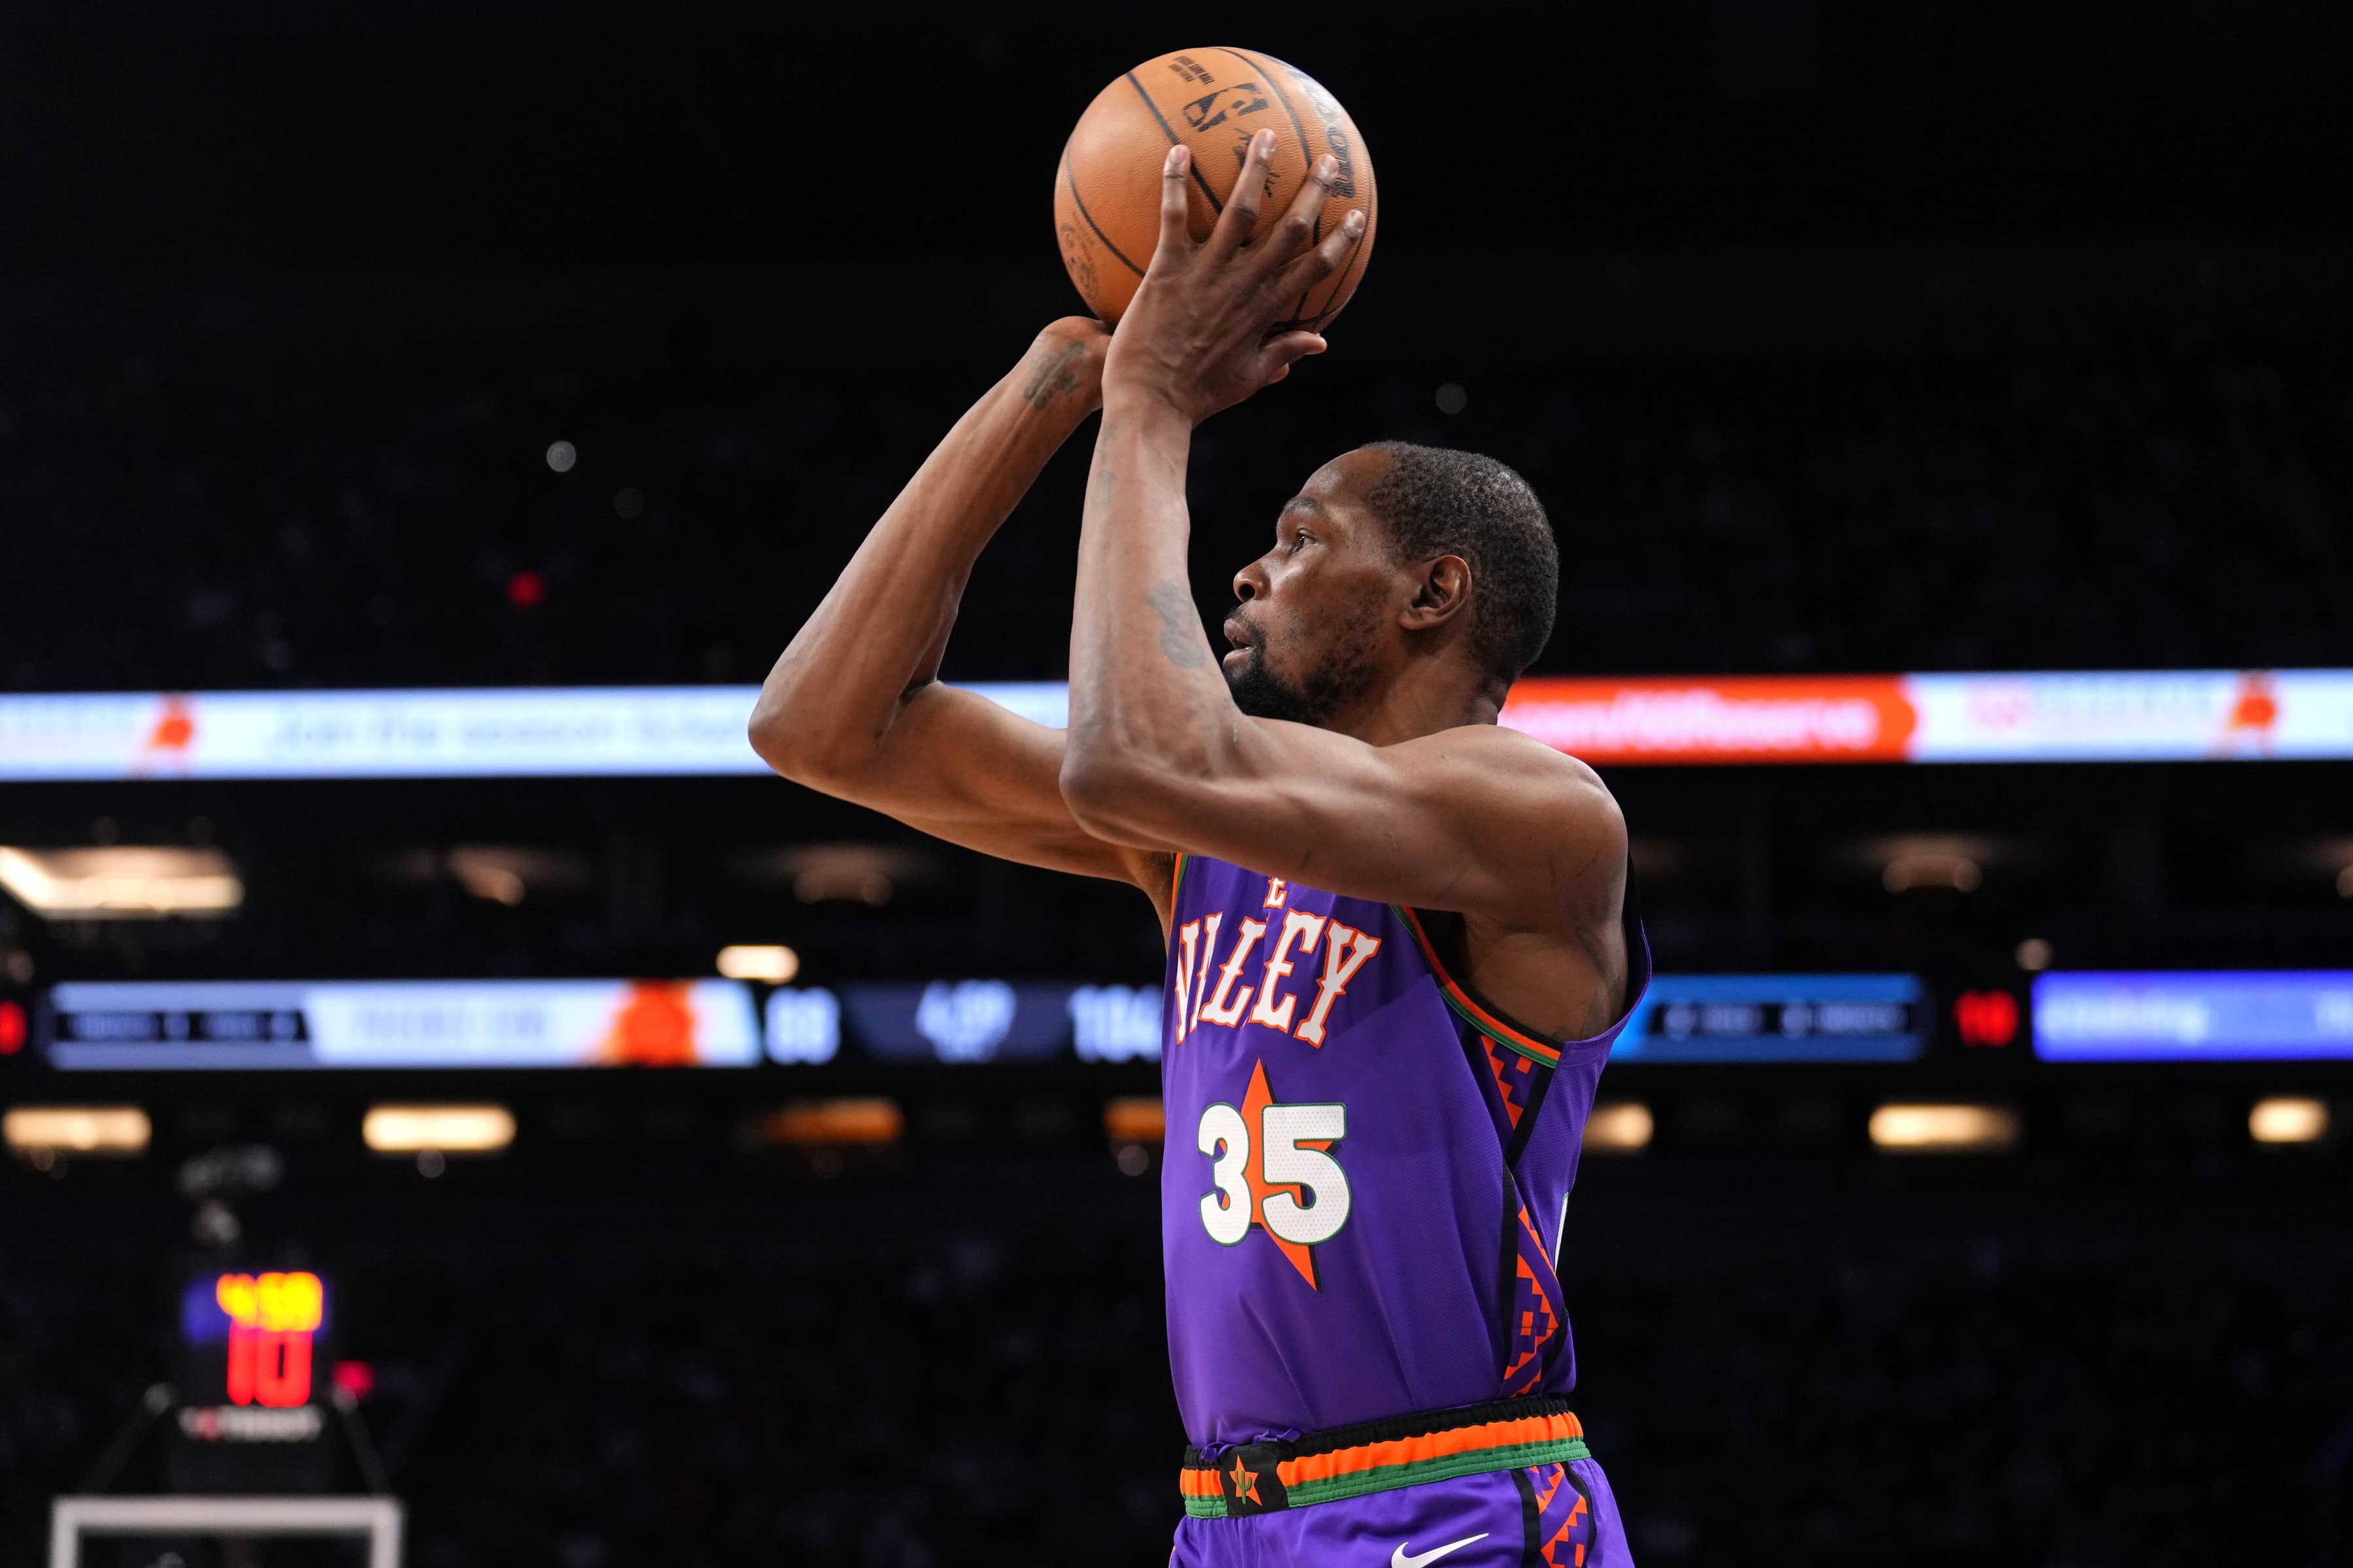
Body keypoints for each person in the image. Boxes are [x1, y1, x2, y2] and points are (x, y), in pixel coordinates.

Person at [753, 131, 1648, 1567]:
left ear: (1433, 591)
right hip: (1226, 1522)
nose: (1248, 566)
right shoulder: (1200, 842)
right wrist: (1055, 379)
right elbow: (821, 728)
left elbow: (1138, 752)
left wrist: (1153, 404)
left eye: (1300, 539)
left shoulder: (1537, 819)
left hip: (1455, 1506)